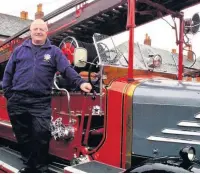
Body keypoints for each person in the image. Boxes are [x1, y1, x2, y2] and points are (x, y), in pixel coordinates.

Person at [2, 19, 92, 173]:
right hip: (18, 99)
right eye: (35, 29)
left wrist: (80, 82)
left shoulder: (54, 52)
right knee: (23, 136)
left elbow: (66, 69)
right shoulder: (19, 50)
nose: (38, 31)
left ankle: (40, 168)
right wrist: (9, 94)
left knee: (41, 135)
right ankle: (29, 166)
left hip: (40, 101)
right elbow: (8, 73)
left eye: (41, 29)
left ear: (46, 31)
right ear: (30, 31)